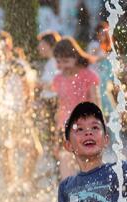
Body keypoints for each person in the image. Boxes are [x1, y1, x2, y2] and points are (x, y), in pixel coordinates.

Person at [51, 37, 101, 180]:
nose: (63, 66)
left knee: (86, 164)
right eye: (59, 62)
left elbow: (96, 104)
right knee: (65, 160)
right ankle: (69, 196)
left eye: (66, 61)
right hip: (65, 126)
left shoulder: (88, 75)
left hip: (85, 127)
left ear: (75, 56)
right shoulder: (58, 79)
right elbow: (60, 107)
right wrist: (56, 135)